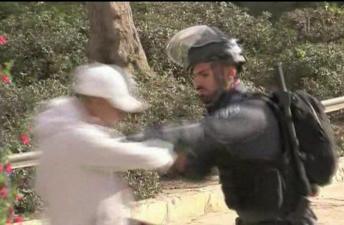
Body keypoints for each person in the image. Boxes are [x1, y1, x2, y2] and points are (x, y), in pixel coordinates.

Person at [128, 25, 317, 225]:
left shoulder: (253, 111)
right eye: (194, 76)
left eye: (204, 74)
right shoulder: (224, 119)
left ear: (230, 73)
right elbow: (201, 167)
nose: (197, 84)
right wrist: (180, 163)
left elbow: (205, 131)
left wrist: (137, 137)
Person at [33, 63, 176, 225]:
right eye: (116, 107)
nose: (121, 115)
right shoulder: (76, 137)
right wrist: (169, 155)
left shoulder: (62, 130)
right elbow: (126, 154)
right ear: (96, 101)